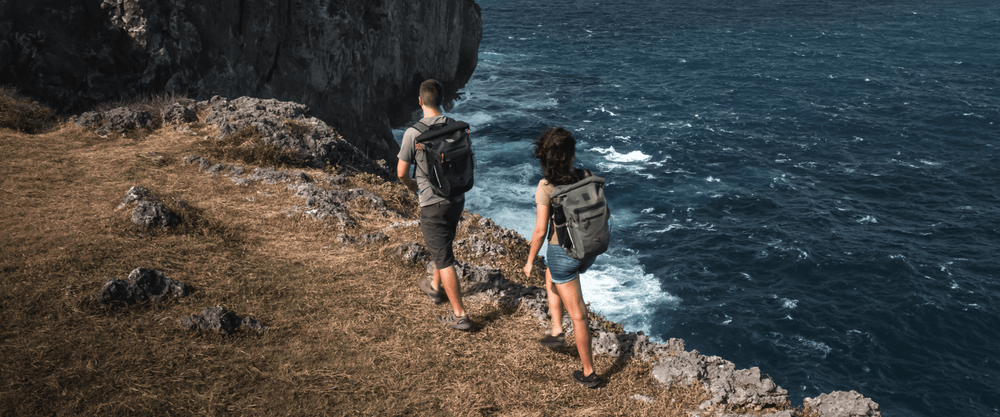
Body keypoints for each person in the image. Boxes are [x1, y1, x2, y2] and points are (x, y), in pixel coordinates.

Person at [522, 127, 603, 388]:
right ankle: (556, 330)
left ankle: (589, 373)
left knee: (578, 315)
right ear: (571, 155)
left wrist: (529, 259)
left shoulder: (546, 187)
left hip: (563, 254)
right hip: (589, 249)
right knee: (552, 276)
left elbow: (539, 230)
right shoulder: (587, 176)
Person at [397, 79, 471, 331]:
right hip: (457, 197)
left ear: (420, 101)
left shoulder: (413, 133)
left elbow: (400, 172)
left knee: (444, 258)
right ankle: (435, 287)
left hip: (432, 203)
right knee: (444, 246)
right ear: (442, 101)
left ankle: (460, 315)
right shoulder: (455, 126)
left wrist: (412, 187)